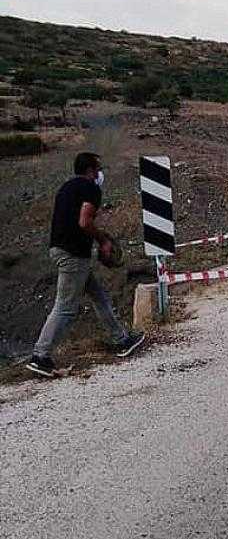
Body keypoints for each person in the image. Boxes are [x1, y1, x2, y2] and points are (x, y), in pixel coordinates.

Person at [27, 152, 144, 377]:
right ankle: (40, 356)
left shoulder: (66, 188)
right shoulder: (91, 188)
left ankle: (121, 340)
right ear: (91, 170)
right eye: (98, 169)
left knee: (99, 296)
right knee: (65, 307)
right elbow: (84, 221)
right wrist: (103, 241)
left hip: (65, 250)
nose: (101, 173)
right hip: (73, 255)